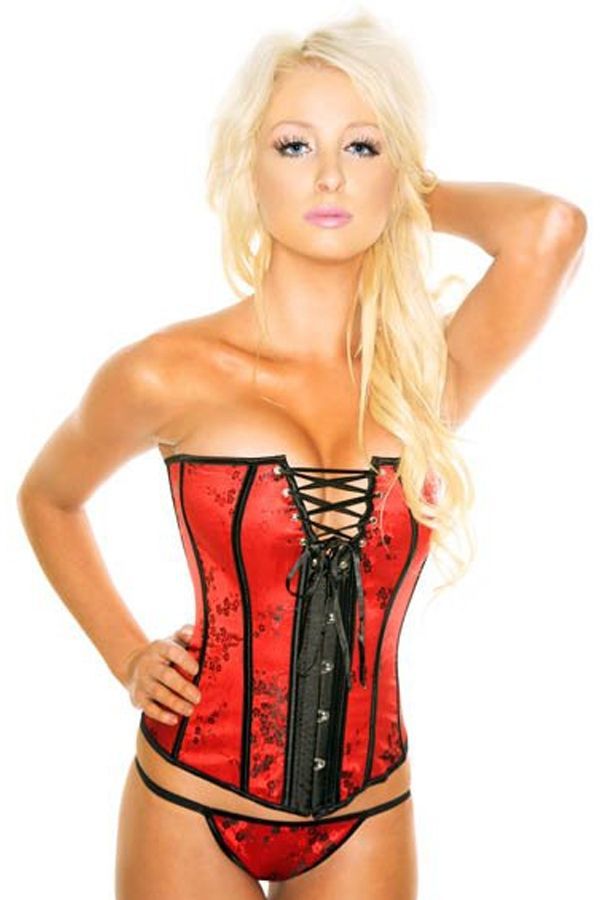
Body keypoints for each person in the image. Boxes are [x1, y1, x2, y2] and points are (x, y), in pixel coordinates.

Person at [16, 12, 586, 900]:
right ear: (249, 169)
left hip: (370, 805)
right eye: (293, 146)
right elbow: (48, 498)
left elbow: (552, 227)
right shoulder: (167, 371)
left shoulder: (424, 378)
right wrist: (127, 654)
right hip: (190, 795)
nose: (328, 176)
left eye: (361, 146)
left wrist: (404, 188)